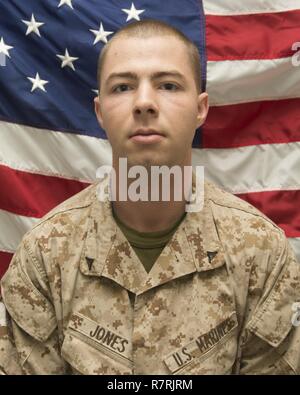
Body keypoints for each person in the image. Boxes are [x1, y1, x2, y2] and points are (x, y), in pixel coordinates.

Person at [0, 19, 299, 375]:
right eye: (123, 87)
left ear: (201, 108)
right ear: (100, 113)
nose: (144, 102)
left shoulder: (260, 254)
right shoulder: (44, 255)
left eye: (168, 85)